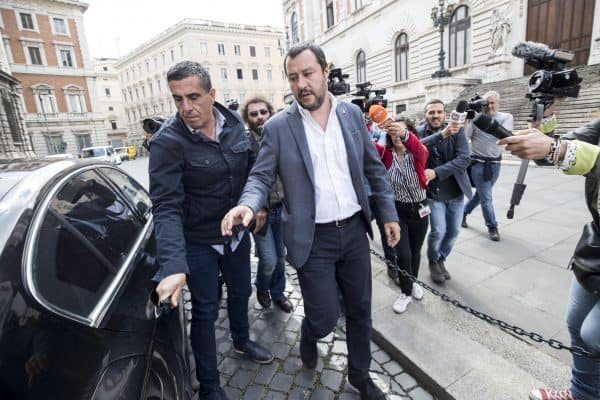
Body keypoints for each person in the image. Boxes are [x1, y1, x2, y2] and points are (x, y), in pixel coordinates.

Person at [221, 43, 400, 400]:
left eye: (308, 73)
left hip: (353, 231)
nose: (301, 83)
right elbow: (259, 177)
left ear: (325, 71)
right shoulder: (278, 128)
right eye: (293, 77)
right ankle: (309, 333)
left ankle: (360, 377)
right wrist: (247, 204)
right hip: (311, 239)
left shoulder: (350, 114)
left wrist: (388, 214)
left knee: (361, 308)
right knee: (323, 316)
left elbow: (372, 168)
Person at [149, 61, 273, 400]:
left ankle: (242, 339)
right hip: (198, 243)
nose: (186, 108)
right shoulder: (166, 143)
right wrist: (173, 266)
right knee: (203, 311)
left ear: (212, 94)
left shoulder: (234, 123)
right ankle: (210, 384)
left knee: (240, 291)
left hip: (235, 235)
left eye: (193, 97)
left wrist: (258, 206)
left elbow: (252, 170)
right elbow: (166, 207)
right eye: (178, 99)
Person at [499, 120, 600, 400]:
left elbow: (568, 152)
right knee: (576, 323)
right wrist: (541, 131)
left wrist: (558, 149)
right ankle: (581, 393)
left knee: (594, 335)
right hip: (595, 248)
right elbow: (548, 155)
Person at [241, 96, 293, 313]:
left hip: (282, 208)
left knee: (281, 257)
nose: (259, 117)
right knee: (269, 259)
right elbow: (245, 181)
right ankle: (262, 287)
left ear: (270, 113)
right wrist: (257, 207)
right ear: (248, 118)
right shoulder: (244, 145)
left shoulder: (280, 137)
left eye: (263, 112)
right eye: (253, 114)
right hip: (260, 213)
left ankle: (278, 293)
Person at [418, 99, 472, 284]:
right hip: (433, 194)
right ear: (425, 115)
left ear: (445, 114)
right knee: (438, 231)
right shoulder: (419, 133)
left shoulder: (457, 131)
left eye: (439, 112)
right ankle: (433, 260)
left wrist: (436, 172)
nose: (435, 115)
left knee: (454, 231)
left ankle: (441, 257)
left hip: (455, 192)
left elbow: (464, 158)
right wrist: (441, 135)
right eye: (431, 112)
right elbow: (415, 149)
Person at [379, 117, 429, 313]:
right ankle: (405, 292)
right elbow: (367, 145)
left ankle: (412, 282)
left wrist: (404, 133)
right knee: (404, 254)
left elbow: (418, 149)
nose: (397, 135)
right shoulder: (386, 154)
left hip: (421, 209)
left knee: (415, 252)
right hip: (398, 210)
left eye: (402, 131)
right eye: (394, 131)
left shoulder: (418, 152)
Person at [462, 91, 514, 241]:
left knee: (481, 195)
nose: (490, 106)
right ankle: (492, 226)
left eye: (492, 102)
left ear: (499, 103)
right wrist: (467, 120)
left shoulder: (506, 117)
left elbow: (504, 137)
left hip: (495, 164)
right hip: (478, 163)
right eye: (487, 103)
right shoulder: (475, 119)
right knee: (486, 197)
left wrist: (482, 119)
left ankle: (463, 213)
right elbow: (466, 137)